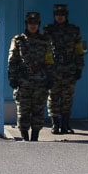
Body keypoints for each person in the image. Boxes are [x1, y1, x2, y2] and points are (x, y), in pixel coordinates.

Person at [8, 11, 53, 141]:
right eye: (30, 23)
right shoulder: (18, 40)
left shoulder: (45, 41)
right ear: (26, 24)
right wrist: (12, 78)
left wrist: (50, 77)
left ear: (39, 25)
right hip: (23, 82)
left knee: (38, 111)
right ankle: (24, 137)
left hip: (41, 82)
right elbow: (12, 61)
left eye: (35, 23)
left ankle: (35, 137)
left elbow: (49, 60)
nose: (33, 26)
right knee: (23, 112)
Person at [43, 4, 85, 134]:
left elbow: (79, 49)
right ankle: (55, 124)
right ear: (54, 16)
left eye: (62, 15)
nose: (60, 17)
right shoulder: (48, 30)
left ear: (66, 16)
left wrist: (79, 67)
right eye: (57, 15)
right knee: (53, 97)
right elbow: (44, 49)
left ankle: (65, 124)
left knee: (68, 98)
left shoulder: (74, 30)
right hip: (53, 69)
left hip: (69, 69)